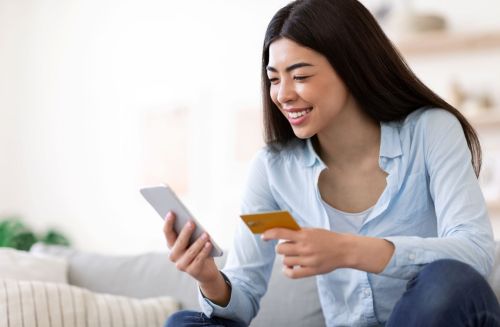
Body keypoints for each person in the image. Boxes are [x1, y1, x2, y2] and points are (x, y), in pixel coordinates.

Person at [164, 0, 500, 326]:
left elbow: (475, 251)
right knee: (184, 322)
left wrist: (350, 250)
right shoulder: (273, 171)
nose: (282, 94)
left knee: (447, 281)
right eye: (274, 78)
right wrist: (210, 279)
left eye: (300, 75)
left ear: (352, 67)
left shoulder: (430, 130)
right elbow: (243, 300)